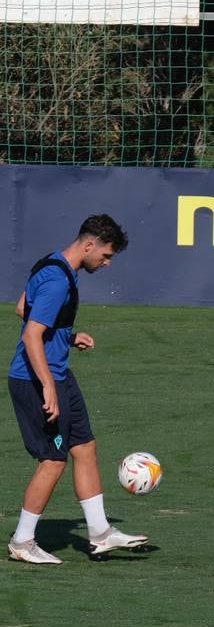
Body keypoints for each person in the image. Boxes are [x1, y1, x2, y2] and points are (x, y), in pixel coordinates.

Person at [7, 214, 149, 564]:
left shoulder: (53, 265)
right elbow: (31, 334)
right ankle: (22, 542)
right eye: (105, 256)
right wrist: (48, 388)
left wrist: (67, 338)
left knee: (84, 447)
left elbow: (22, 307)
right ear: (89, 244)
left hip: (58, 375)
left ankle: (100, 533)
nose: (107, 263)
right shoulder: (58, 280)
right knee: (52, 461)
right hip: (37, 380)